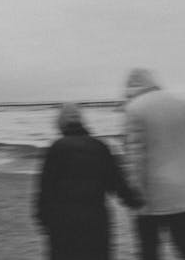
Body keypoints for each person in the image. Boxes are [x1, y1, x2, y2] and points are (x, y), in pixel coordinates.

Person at [34, 102, 143, 260]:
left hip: (63, 222)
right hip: (96, 219)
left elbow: (45, 189)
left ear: (60, 124)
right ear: (82, 122)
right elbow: (116, 183)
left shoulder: (56, 149)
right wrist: (134, 201)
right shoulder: (100, 147)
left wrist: (42, 218)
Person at [123, 68, 185, 260]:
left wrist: (135, 190)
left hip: (153, 194)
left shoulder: (135, 108)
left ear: (132, 86)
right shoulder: (182, 105)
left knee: (149, 248)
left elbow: (135, 155)